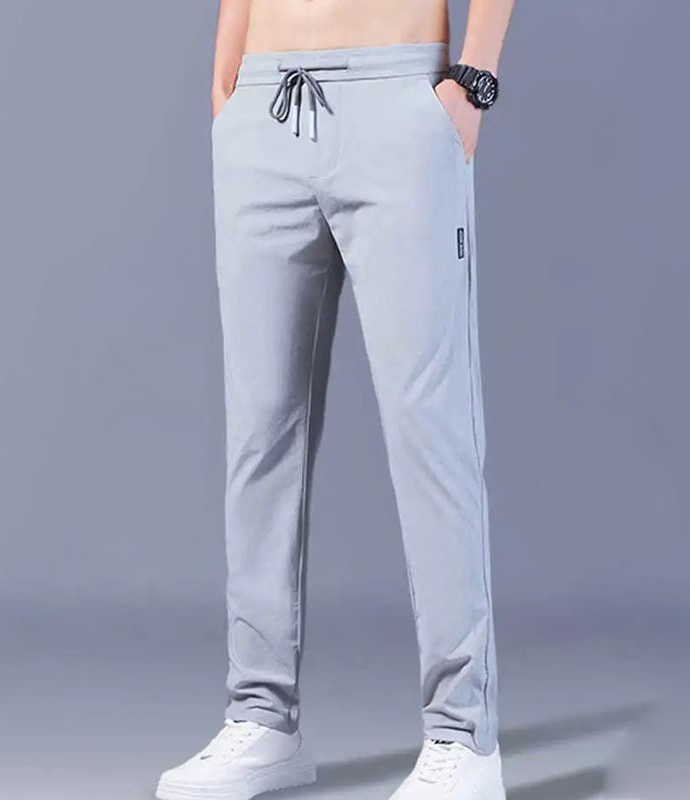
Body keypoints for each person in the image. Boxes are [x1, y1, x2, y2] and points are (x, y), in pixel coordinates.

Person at [156, 1, 516, 798]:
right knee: (261, 432)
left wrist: (474, 82)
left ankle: (463, 734)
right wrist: (227, 84)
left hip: (398, 100)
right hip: (263, 103)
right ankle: (261, 716)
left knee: (430, 430)